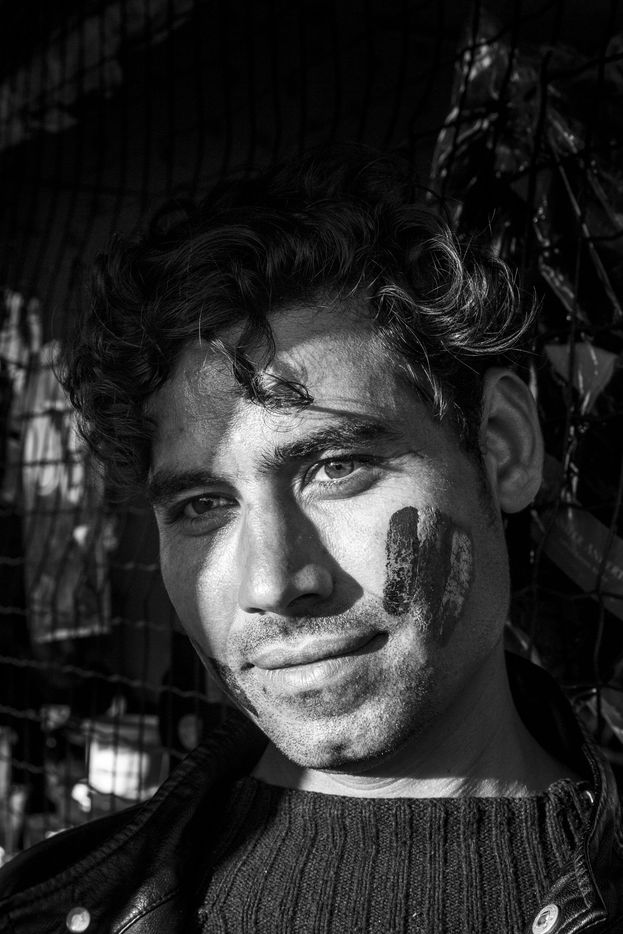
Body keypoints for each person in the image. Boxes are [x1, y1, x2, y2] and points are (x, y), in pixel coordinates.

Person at [0, 146, 621, 934]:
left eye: (336, 467)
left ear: (500, 447)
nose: (271, 582)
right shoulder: (48, 913)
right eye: (202, 504)